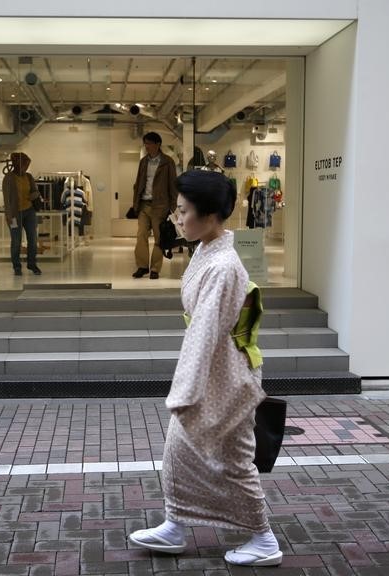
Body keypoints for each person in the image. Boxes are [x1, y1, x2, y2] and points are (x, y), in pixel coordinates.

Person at [128, 170, 282, 568]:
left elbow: (205, 331)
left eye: (183, 211)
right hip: (216, 365)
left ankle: (263, 538)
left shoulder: (222, 265)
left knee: (230, 458)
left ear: (210, 215)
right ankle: (176, 523)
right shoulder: (207, 249)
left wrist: (185, 390)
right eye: (176, 211)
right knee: (181, 449)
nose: (177, 219)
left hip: (225, 372)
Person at [131, 132, 178, 280]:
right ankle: (142, 266)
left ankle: (155, 269)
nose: (147, 146)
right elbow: (138, 182)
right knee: (141, 235)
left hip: (160, 205)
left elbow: (173, 184)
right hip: (144, 204)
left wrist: (173, 206)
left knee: (159, 238)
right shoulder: (143, 161)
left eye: (149, 143)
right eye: (145, 143)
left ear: (158, 144)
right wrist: (135, 203)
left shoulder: (167, 162)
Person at [2, 152, 42, 276]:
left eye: (27, 165)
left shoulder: (29, 177)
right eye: (24, 165)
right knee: (16, 240)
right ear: (17, 164)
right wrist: (8, 216)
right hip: (14, 214)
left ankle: (32, 263)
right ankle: (16, 266)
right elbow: (7, 198)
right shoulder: (8, 178)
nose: (26, 168)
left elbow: (36, 192)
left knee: (33, 239)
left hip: (29, 211)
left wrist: (33, 195)